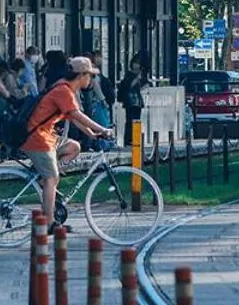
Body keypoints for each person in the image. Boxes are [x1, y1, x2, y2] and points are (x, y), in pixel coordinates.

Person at [21, 56, 114, 229]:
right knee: (52, 179)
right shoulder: (63, 90)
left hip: (47, 136)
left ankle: (47, 176)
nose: (91, 79)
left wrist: (92, 134)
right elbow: (78, 115)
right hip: (37, 138)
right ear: (82, 75)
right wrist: (103, 129)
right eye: (90, 76)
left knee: (74, 147)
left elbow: (72, 116)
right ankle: (49, 223)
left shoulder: (67, 89)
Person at [118, 56, 149, 145]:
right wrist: (137, 78)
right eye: (136, 63)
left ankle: (135, 139)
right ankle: (128, 140)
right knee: (129, 121)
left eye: (138, 63)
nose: (137, 65)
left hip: (137, 101)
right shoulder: (129, 74)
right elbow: (128, 86)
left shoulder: (140, 75)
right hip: (130, 101)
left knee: (136, 120)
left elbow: (141, 86)